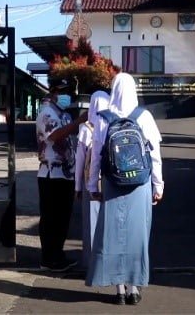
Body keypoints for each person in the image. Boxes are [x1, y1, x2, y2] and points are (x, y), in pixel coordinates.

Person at [85, 73, 164, 305]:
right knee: (138, 236)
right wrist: (158, 184)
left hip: (112, 182)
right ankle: (134, 288)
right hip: (140, 184)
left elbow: (97, 157)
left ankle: (119, 290)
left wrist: (92, 185)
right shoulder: (144, 116)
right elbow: (155, 156)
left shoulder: (103, 118)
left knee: (113, 236)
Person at [35, 79, 87, 272]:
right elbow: (55, 136)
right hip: (50, 174)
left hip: (65, 173)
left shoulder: (62, 113)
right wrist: (79, 122)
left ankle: (58, 255)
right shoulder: (46, 113)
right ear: (54, 92)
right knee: (51, 218)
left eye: (69, 92)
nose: (67, 96)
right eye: (63, 91)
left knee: (63, 218)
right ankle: (48, 258)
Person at [74, 90, 110, 269]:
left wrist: (78, 187)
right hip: (112, 183)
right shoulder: (113, 124)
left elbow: (80, 161)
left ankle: (92, 265)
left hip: (91, 183)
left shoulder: (86, 128)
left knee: (92, 224)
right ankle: (110, 264)